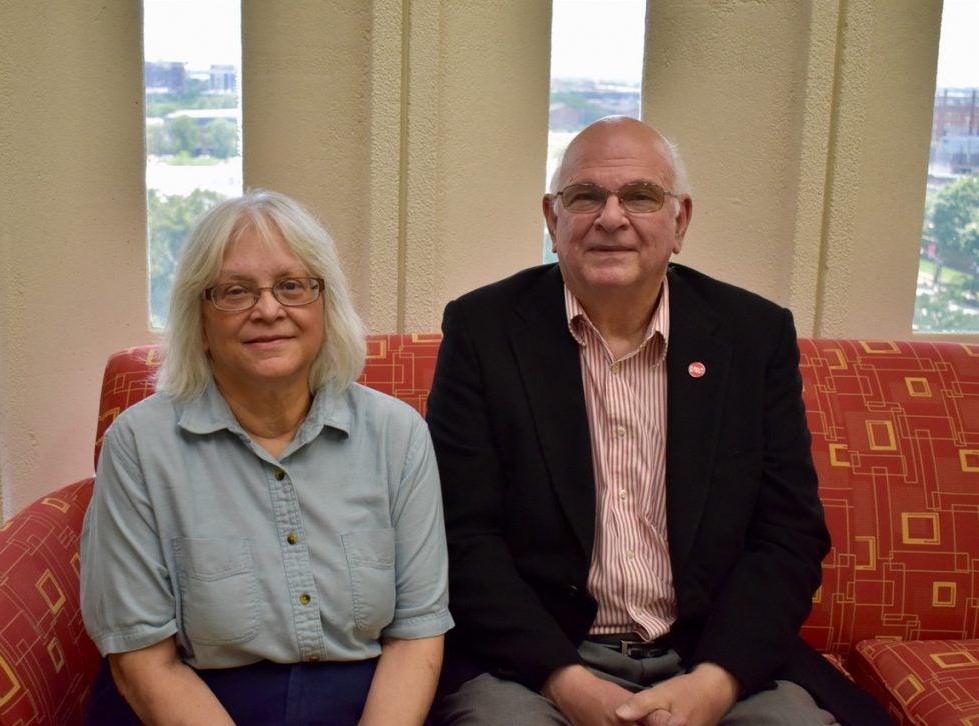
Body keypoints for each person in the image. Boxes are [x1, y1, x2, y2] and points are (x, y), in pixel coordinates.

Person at [425, 117, 890, 726]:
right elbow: (462, 537)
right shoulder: (484, 331)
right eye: (585, 196)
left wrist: (715, 685)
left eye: (640, 196)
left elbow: (787, 536)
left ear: (681, 221)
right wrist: (565, 682)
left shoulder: (751, 336)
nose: (611, 218)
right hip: (538, 660)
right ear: (552, 218)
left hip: (711, 655)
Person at [80, 189, 452, 725]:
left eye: (292, 286)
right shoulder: (139, 445)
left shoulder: (399, 435)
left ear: (325, 304)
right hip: (193, 701)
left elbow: (417, 634)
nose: (269, 310)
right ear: (199, 319)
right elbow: (144, 661)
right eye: (234, 291)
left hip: (371, 703)